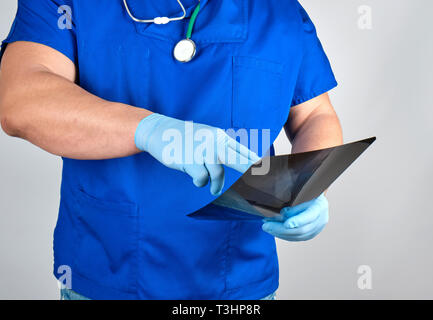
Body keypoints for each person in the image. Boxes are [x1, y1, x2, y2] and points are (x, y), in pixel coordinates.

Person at [0, 0, 343, 300]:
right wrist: (148, 130)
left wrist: (307, 185)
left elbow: (314, 115)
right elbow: (20, 101)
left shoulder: (278, 10)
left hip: (239, 280)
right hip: (105, 277)